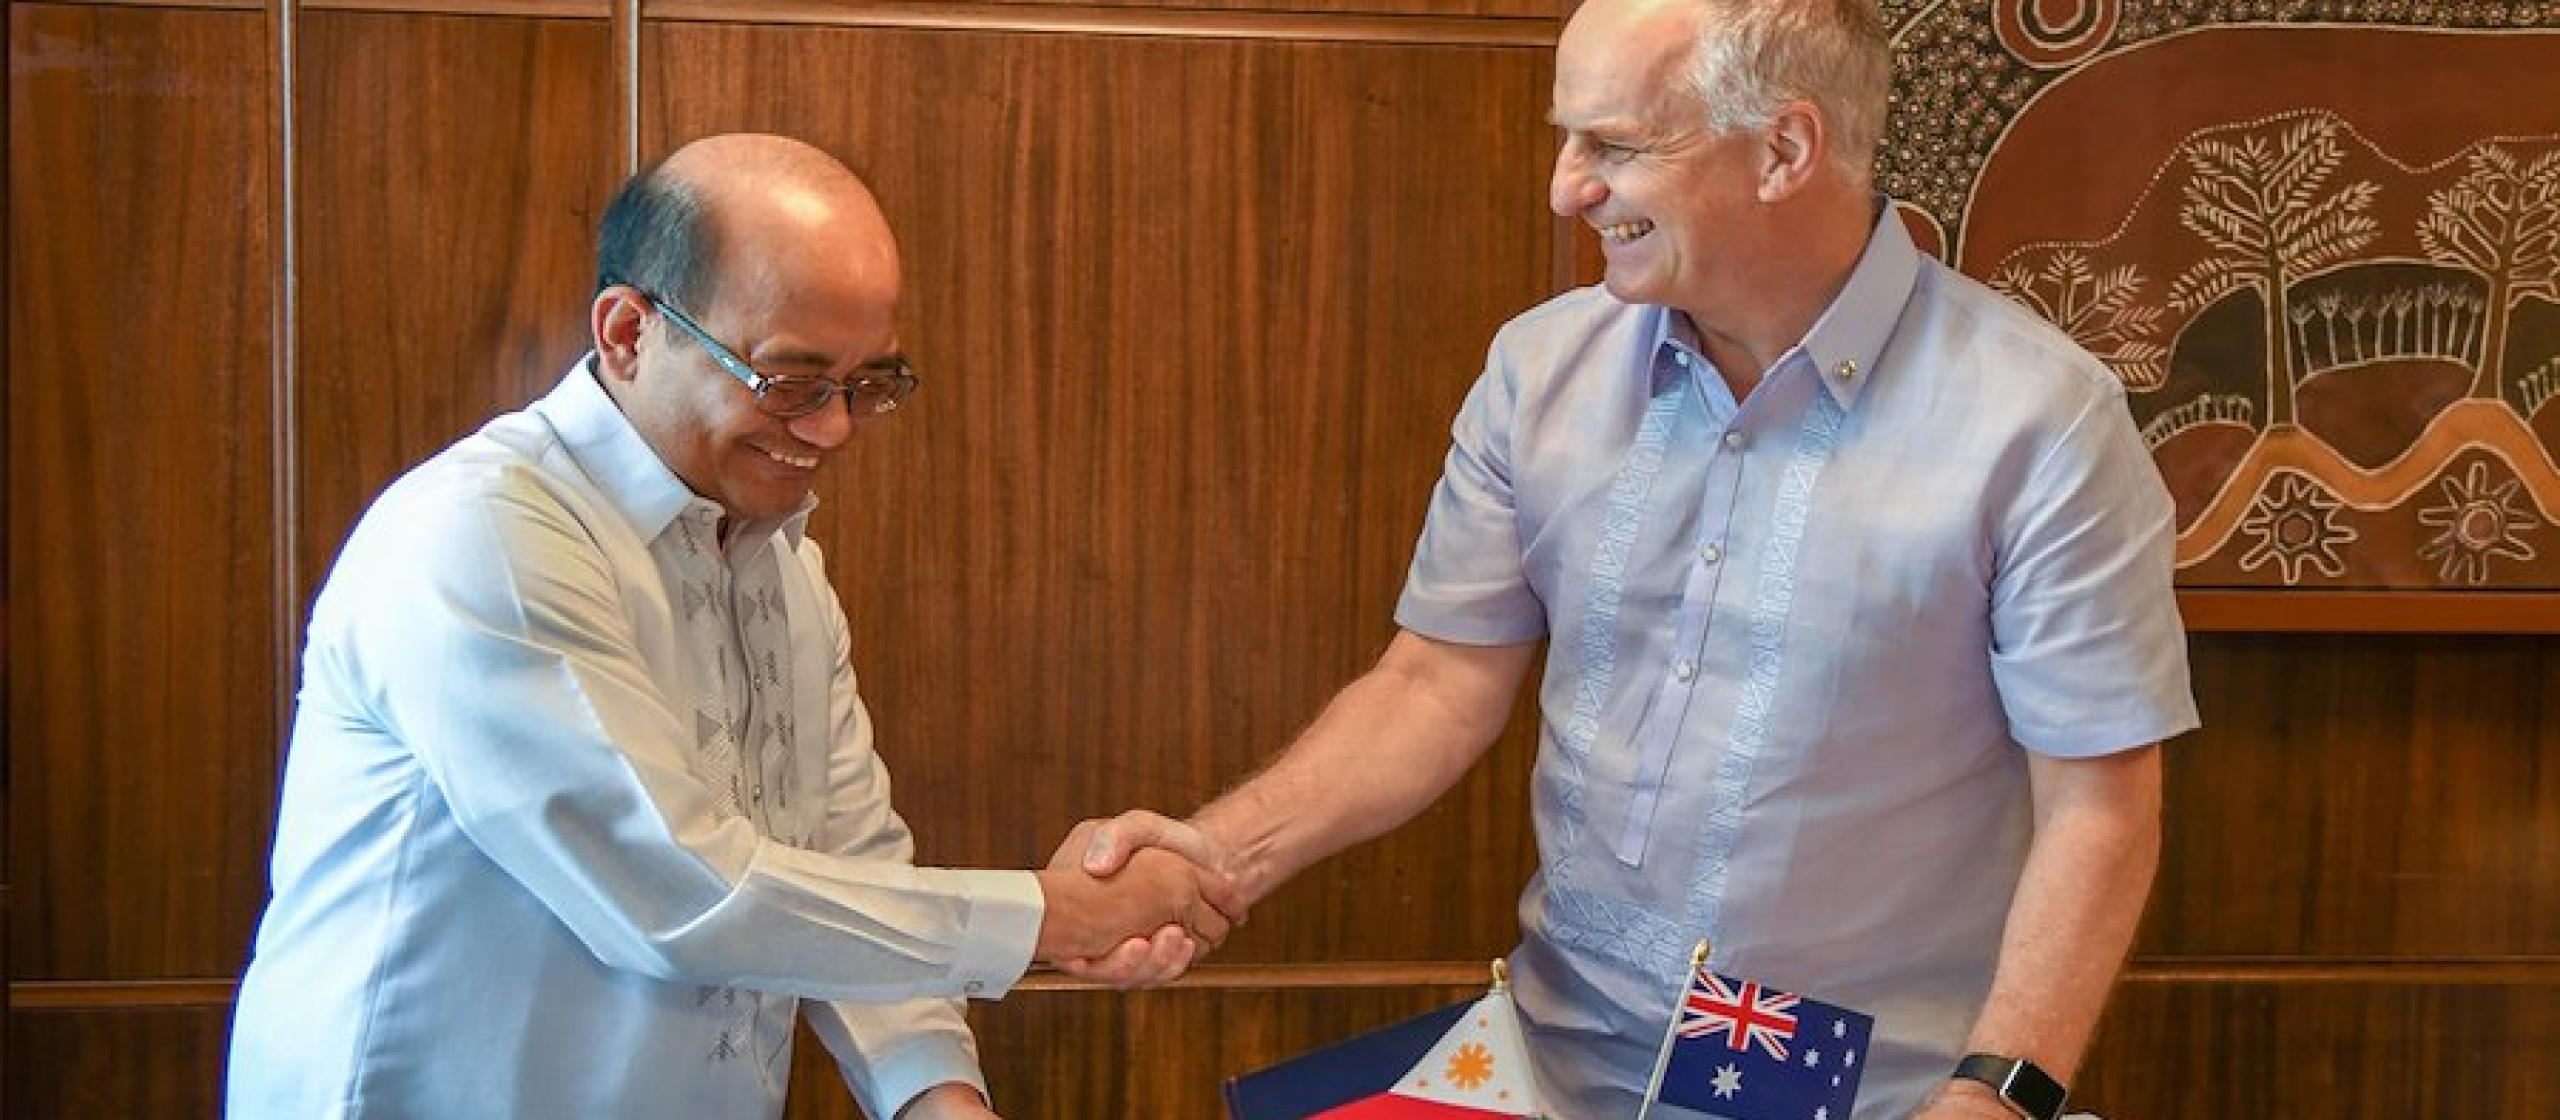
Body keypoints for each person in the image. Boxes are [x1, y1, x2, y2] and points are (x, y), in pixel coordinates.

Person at [1064, 1, 2196, 1116]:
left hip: (1871, 1094)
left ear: (1783, 149)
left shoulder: (2039, 423)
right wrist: (1214, 857)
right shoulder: (1537, 369)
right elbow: (1433, 683)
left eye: (1615, 145)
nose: (1567, 186)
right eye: (1570, 140)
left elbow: (2097, 803)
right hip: (1548, 1062)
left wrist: (1999, 1093)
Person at [227, 133, 1238, 1120]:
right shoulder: (481, 536)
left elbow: (850, 868)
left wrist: (939, 1095)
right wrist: (1067, 913)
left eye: (868, 384)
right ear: (628, 332)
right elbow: (687, 894)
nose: (834, 427)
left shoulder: (780, 557)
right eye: (791, 383)